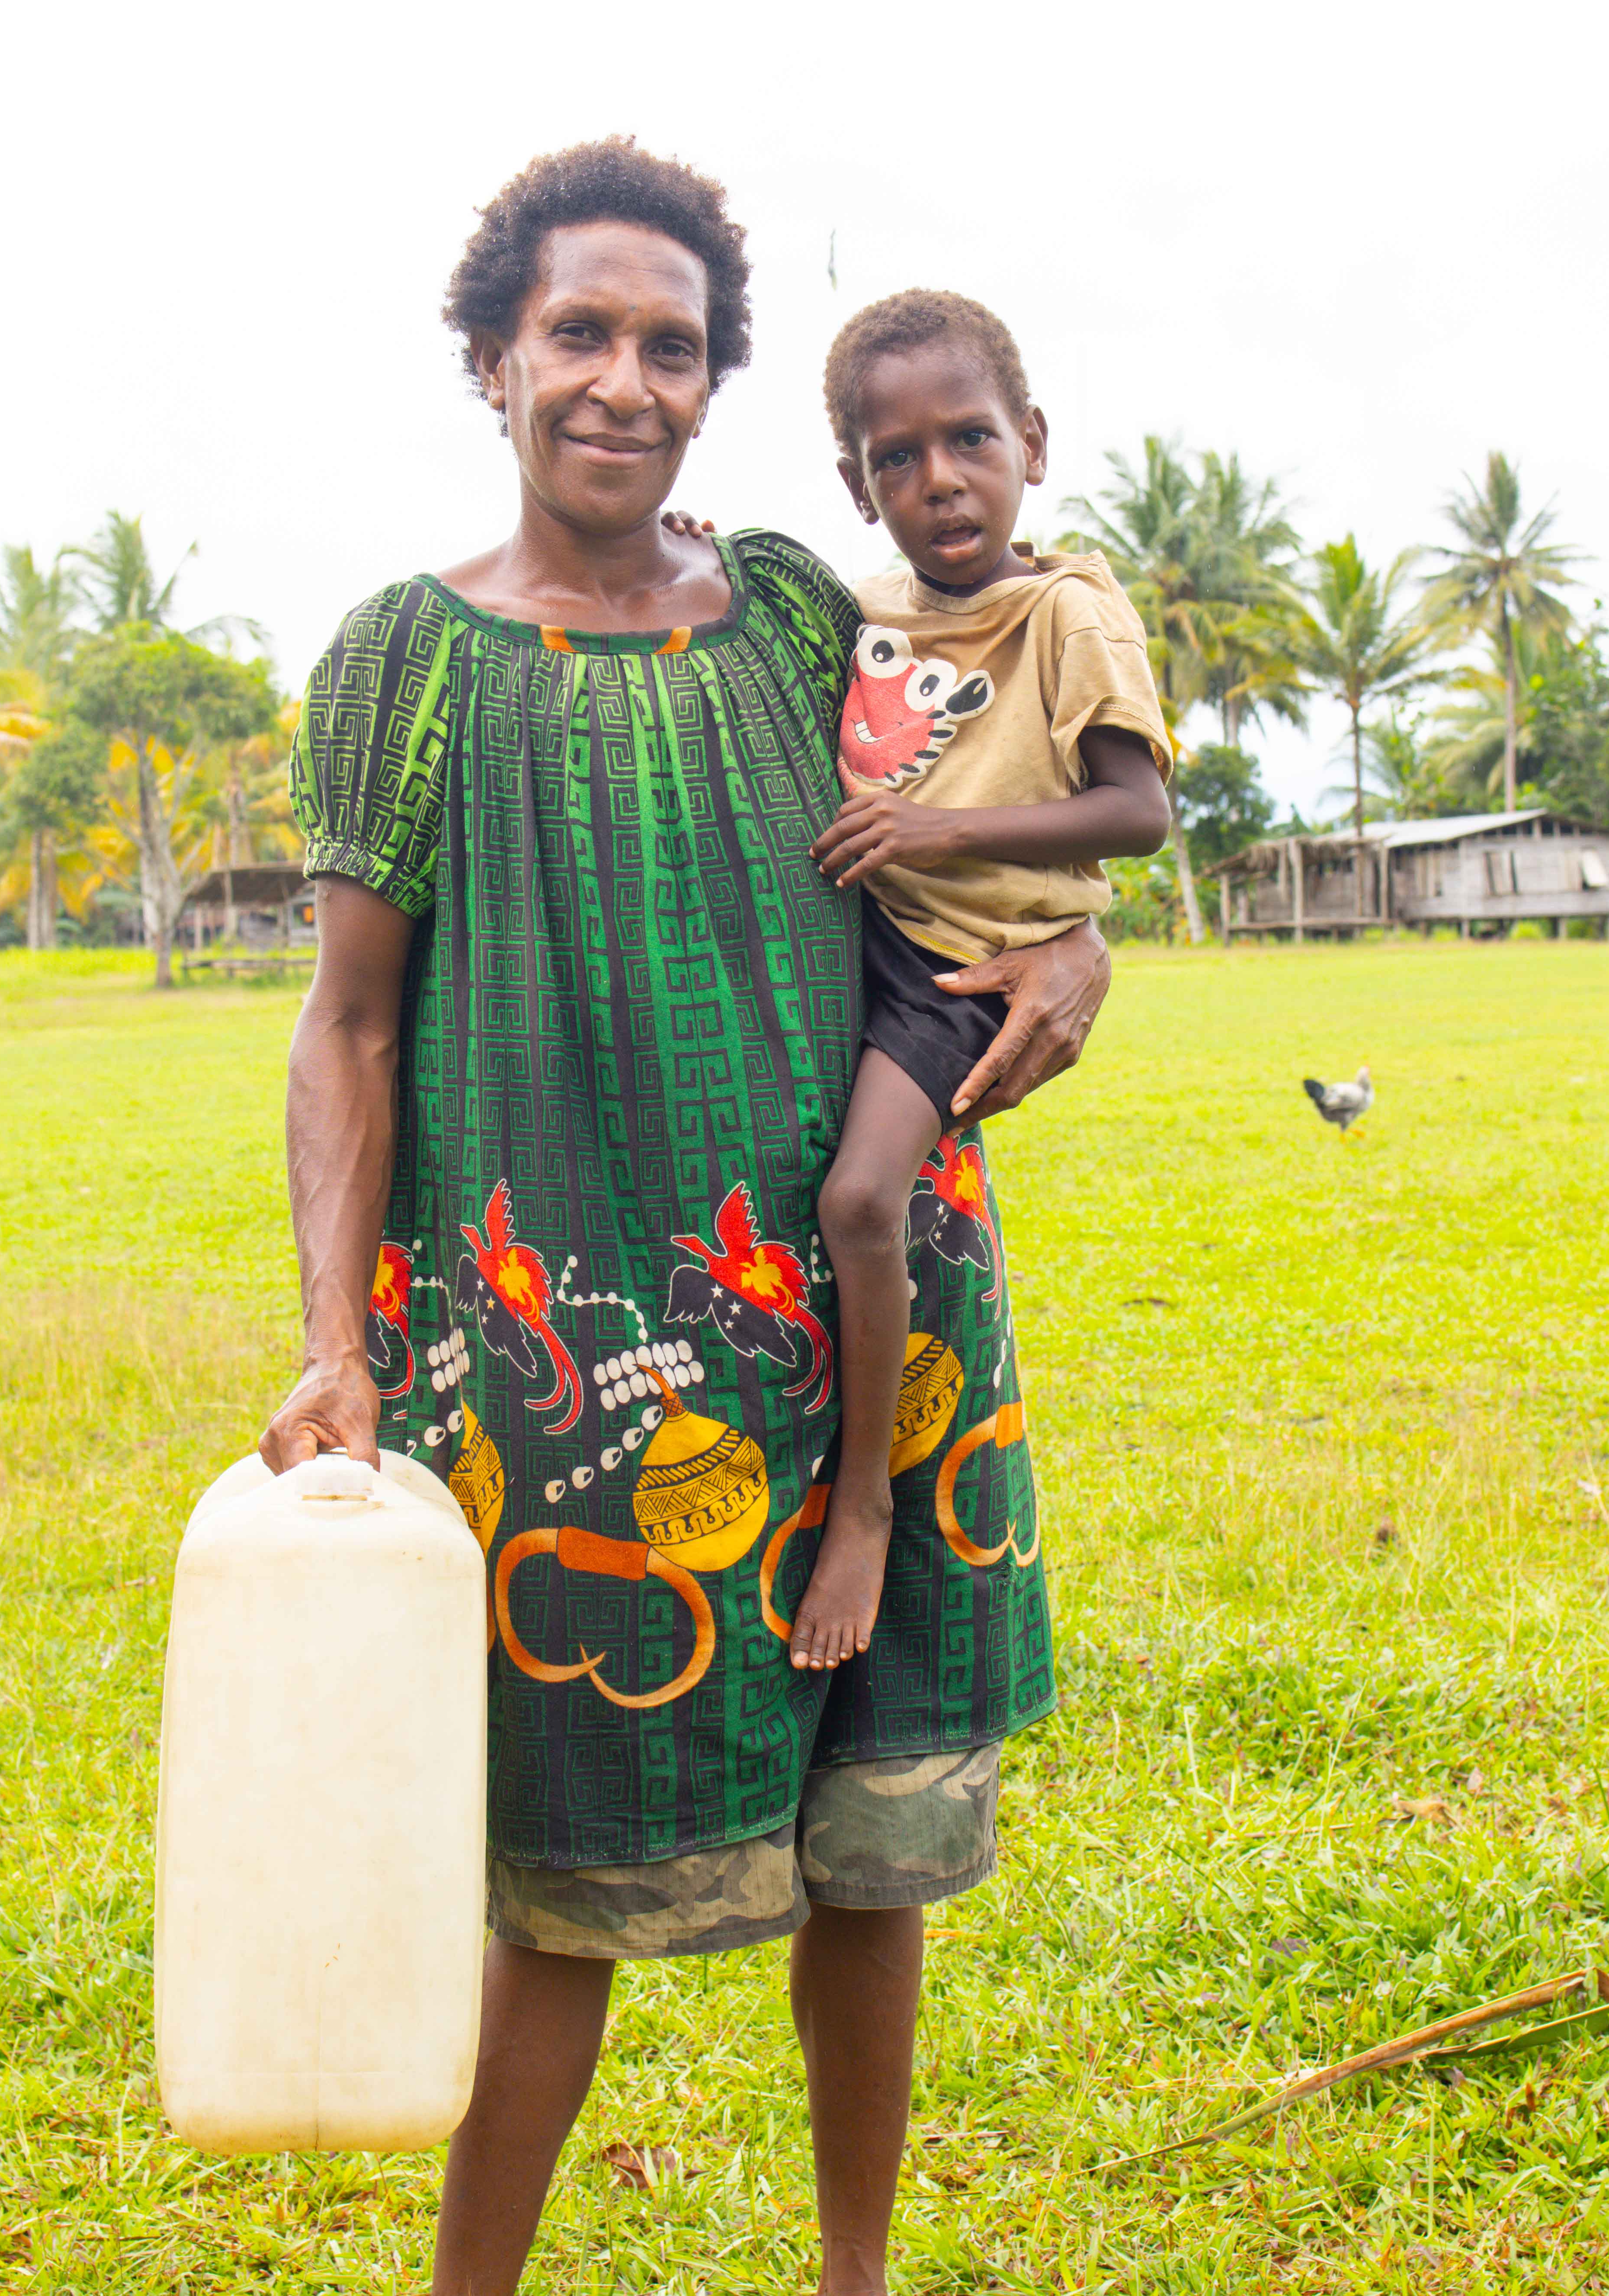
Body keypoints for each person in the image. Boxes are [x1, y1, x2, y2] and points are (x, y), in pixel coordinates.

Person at [255, 139, 1107, 2296]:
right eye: (577, 336)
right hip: (579, 1361)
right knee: (561, 1883)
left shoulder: (807, 619)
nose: (621, 381)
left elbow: (976, 854)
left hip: (871, 1315)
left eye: (668, 344)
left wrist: (1083, 957)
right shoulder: (411, 665)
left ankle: (852, 2273)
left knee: (873, 1851)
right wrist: (338, 1341)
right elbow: (347, 1029)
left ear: (713, 383)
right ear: (490, 361)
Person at [785, 289, 1171, 1676]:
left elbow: (1138, 812)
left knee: (860, 1197)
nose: (939, 480)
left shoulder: (1066, 612)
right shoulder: (864, 605)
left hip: (957, 965)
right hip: (848, 932)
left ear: (1034, 443)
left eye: (970, 439)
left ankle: (867, 1503)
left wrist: (943, 830)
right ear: (856, 484)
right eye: (896, 458)